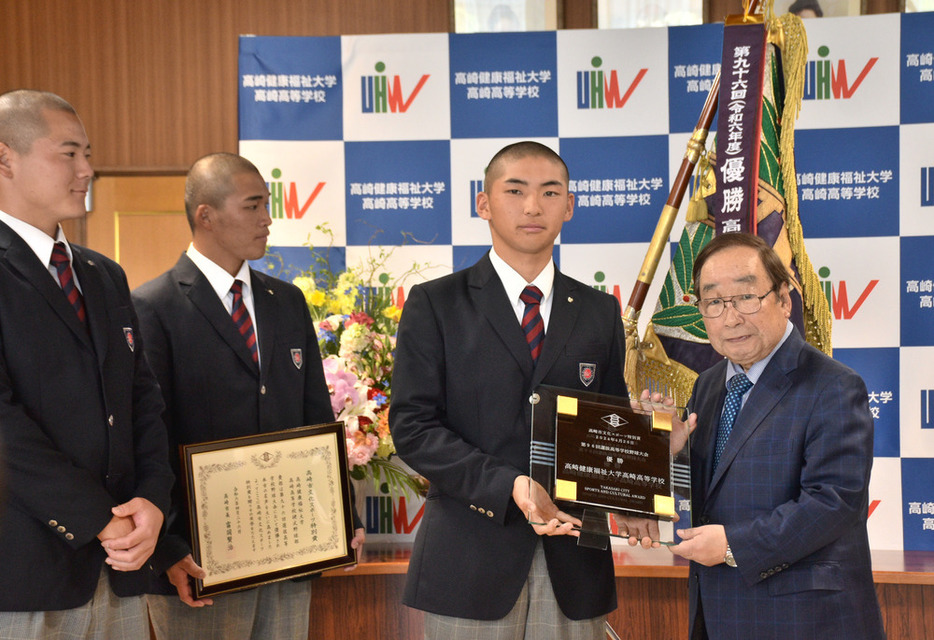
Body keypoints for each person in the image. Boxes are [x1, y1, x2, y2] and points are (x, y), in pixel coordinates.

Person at [390, 141, 629, 639]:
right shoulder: (436, 304)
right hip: (469, 562)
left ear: (570, 205)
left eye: (549, 192)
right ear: (483, 203)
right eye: (515, 190)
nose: (532, 206)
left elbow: (612, 425)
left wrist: (646, 465)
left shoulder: (599, 312)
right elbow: (412, 428)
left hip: (574, 562)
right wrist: (510, 486)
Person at [132, 152, 364, 640]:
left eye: (267, 205)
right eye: (252, 206)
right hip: (201, 562)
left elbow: (315, 419)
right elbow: (149, 435)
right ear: (206, 216)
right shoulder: (153, 306)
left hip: (292, 548)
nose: (267, 219)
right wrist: (170, 547)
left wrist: (344, 512)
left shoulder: (287, 302)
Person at [0, 89, 174, 638]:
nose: (88, 170)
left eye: (88, 153)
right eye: (69, 153)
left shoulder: (103, 274)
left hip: (120, 566)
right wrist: (100, 519)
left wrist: (151, 503)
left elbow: (142, 400)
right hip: (25, 569)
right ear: (5, 159)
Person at [668, 232, 884, 639]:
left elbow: (833, 503)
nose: (730, 318)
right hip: (718, 613)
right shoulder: (709, 385)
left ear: (784, 299)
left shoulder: (834, 385)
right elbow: (711, 495)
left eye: (747, 298)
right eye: (714, 302)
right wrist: (673, 455)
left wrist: (734, 545)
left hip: (804, 619)